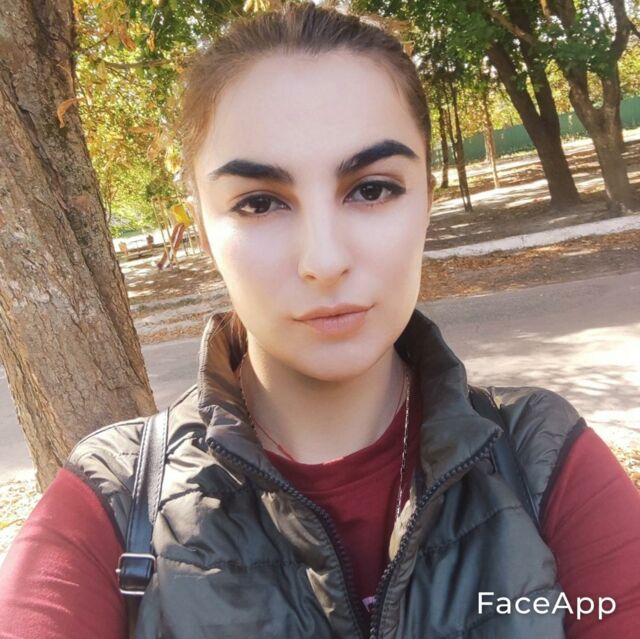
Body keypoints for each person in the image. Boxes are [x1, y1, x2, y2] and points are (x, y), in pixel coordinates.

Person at [1, 3, 639, 638]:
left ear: (426, 197)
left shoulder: (541, 459)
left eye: (372, 189)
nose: (324, 261)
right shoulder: (113, 501)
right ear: (200, 227)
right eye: (259, 203)